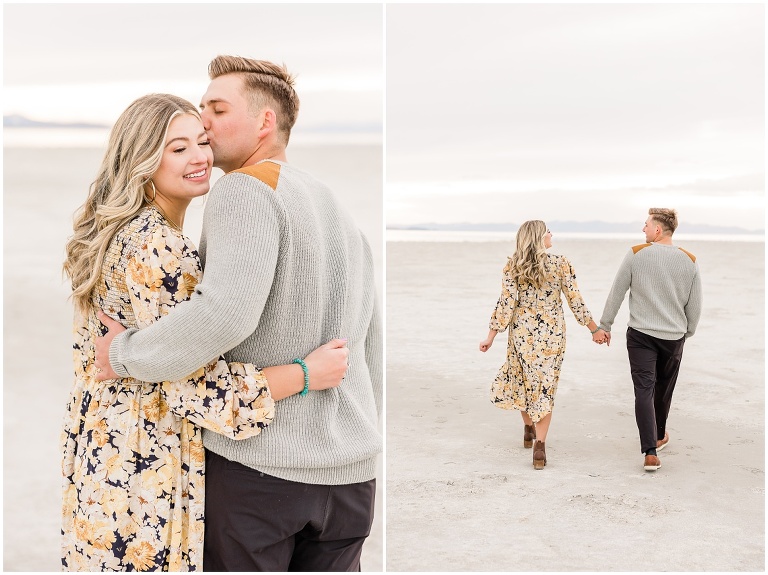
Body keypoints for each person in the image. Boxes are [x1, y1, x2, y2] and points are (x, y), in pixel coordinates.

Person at [93, 56, 383, 571]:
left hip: (262, 471)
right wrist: (355, 434)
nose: (203, 121)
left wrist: (124, 353)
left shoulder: (243, 189)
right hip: (352, 476)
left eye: (218, 109)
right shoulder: (336, 207)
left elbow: (225, 313)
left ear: (265, 121)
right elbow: (370, 345)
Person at [479, 220, 604, 470]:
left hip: (522, 335)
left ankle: (529, 428)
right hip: (552, 336)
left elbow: (506, 304)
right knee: (544, 387)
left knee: (524, 381)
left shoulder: (513, 265)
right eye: (547, 231)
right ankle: (540, 446)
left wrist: (490, 336)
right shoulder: (560, 263)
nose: (551, 234)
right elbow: (575, 300)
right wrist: (594, 329)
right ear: (538, 237)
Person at [592, 208, 702, 472]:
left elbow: (617, 292)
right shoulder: (690, 260)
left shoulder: (636, 253)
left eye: (646, 225)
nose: (643, 229)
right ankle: (659, 435)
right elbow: (695, 304)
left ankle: (650, 451)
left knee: (644, 389)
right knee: (663, 389)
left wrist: (605, 325)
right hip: (673, 337)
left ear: (658, 230)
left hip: (641, 335)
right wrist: (687, 332)